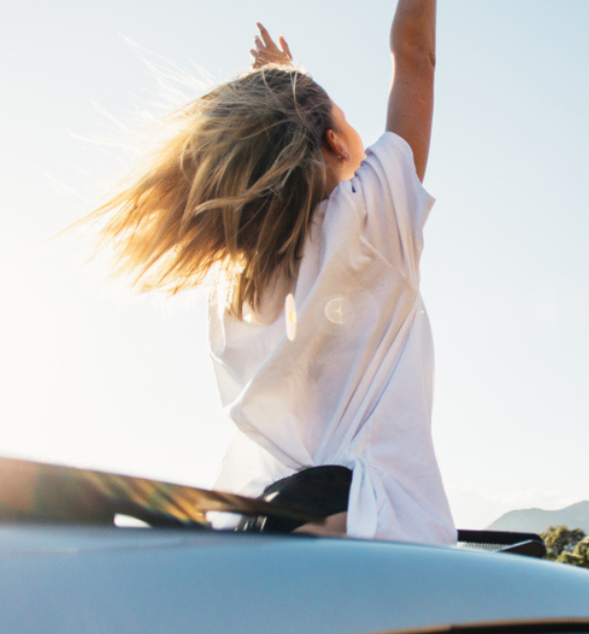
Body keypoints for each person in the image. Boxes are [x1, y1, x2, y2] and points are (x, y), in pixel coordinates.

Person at [83, 0, 455, 544]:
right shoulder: (375, 221)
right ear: (332, 142)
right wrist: (290, 89)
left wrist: (285, 90)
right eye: (344, 121)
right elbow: (414, 57)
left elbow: (292, 184)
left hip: (265, 520)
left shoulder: (242, 277)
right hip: (374, 521)